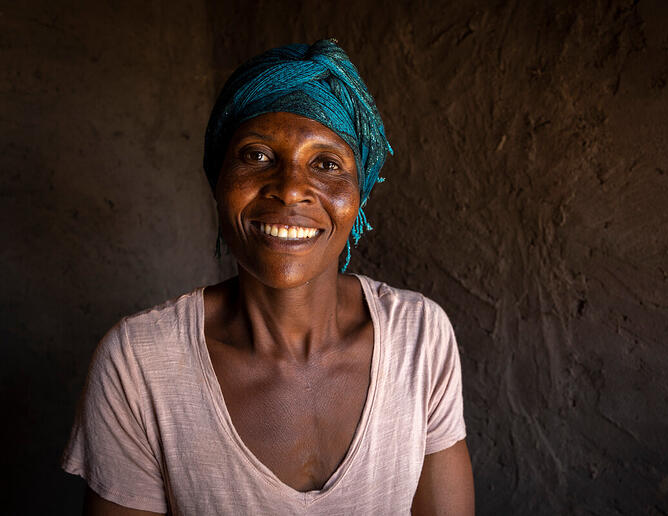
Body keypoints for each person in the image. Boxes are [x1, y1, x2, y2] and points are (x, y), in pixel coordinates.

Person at [62, 39, 474, 515]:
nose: (291, 188)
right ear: (218, 180)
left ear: (359, 195)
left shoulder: (419, 337)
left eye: (326, 164)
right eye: (257, 156)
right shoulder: (140, 366)